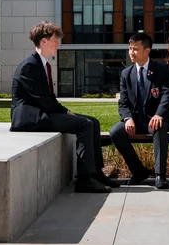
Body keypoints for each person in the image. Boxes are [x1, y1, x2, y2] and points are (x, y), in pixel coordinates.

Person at [10, 21, 117, 193]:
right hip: (31, 118)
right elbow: (43, 100)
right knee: (84, 124)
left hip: (43, 113)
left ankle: (96, 173)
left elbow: (48, 99)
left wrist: (65, 111)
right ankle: (84, 180)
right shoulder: (29, 66)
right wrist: (66, 112)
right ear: (43, 41)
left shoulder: (42, 64)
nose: (58, 44)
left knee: (93, 122)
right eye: (55, 40)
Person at [109, 33, 169, 190]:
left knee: (159, 127)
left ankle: (160, 175)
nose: (131, 52)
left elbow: (167, 94)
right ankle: (138, 172)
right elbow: (123, 101)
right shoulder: (126, 73)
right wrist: (127, 119)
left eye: (135, 49)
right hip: (135, 120)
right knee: (115, 132)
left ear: (147, 50)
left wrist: (159, 114)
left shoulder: (161, 69)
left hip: (155, 118)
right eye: (130, 48)